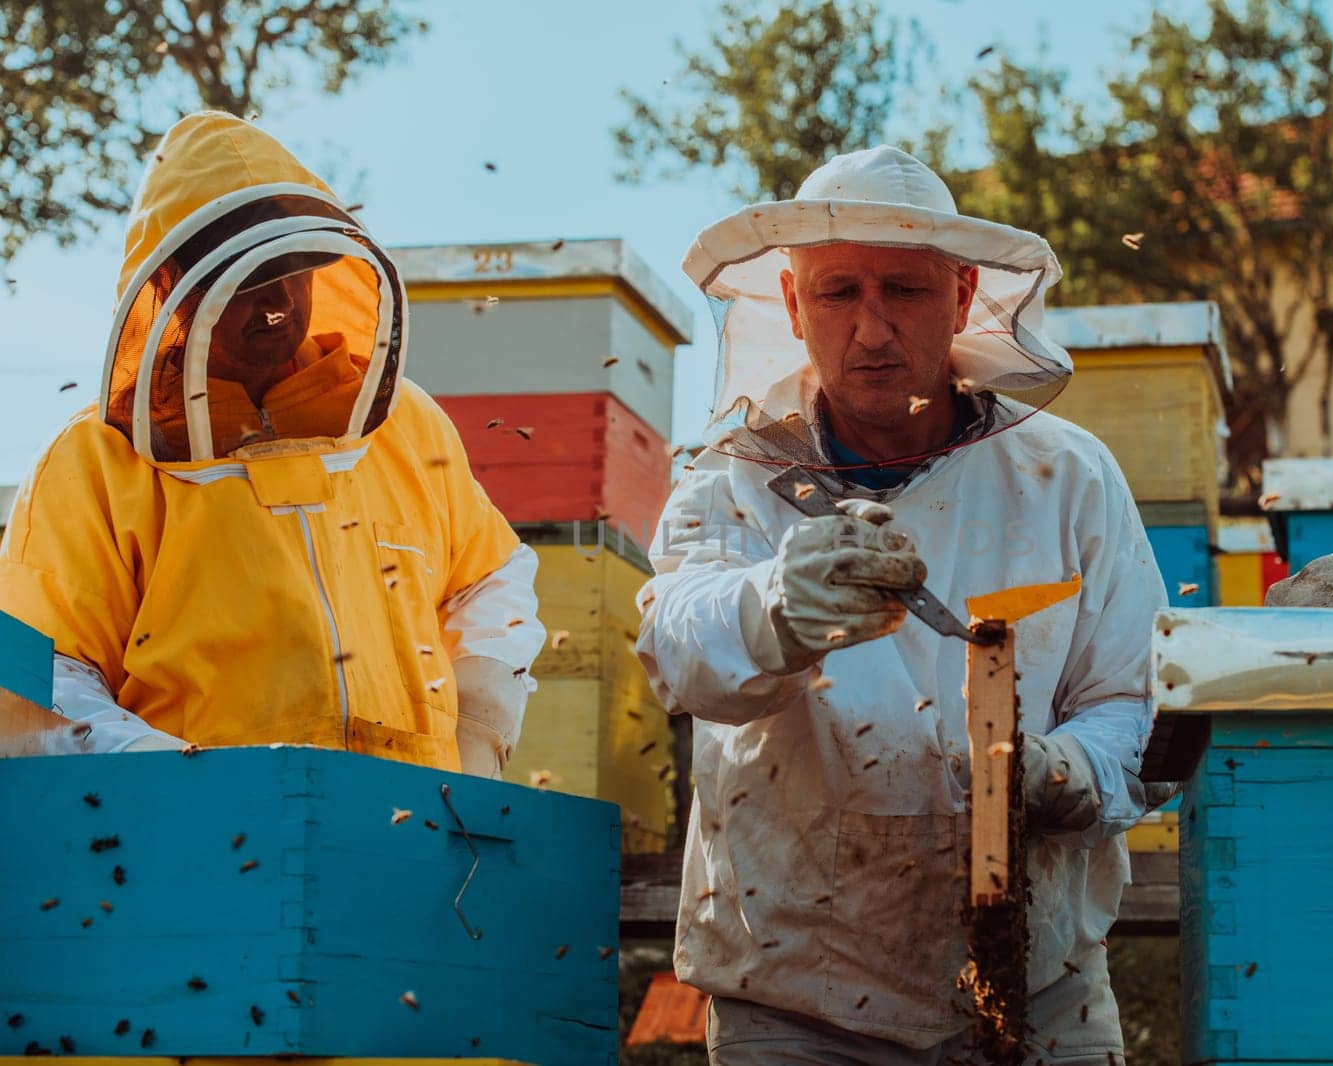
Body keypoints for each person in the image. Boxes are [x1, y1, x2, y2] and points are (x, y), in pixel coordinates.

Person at [636, 146, 1169, 1063]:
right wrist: (776, 609)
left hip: (1043, 991)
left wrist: (1068, 772)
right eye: (839, 293)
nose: (872, 329)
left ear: (963, 298)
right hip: (792, 998)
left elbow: (1137, 695)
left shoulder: (1067, 473)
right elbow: (674, 650)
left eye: (905, 291)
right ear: (795, 307)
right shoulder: (733, 477)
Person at [0, 112, 540, 777]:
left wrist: (481, 718)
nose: (277, 299)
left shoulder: (404, 424)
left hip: (413, 830)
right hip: (196, 848)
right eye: (245, 280)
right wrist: (175, 775)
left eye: (295, 269)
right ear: (167, 284)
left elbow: (489, 579)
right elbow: (38, 674)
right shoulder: (95, 461)